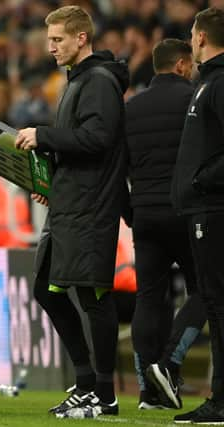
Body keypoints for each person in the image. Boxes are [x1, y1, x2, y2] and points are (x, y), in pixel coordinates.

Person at [14, 5, 129, 419]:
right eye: (49, 40)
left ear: (82, 38)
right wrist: (53, 182)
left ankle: (104, 393)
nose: (51, 48)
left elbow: (98, 138)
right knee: (46, 289)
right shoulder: (79, 81)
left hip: (91, 207)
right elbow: (81, 143)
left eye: (58, 40)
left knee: (93, 295)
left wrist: (43, 135)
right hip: (71, 203)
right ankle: (85, 383)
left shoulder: (98, 81)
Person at [125, 38, 207, 411]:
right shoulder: (196, 100)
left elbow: (117, 171)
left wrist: (132, 214)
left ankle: (147, 391)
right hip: (188, 213)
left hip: (145, 216)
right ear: (181, 65)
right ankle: (170, 364)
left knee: (149, 299)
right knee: (206, 288)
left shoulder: (131, 108)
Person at [168, 8, 224, 424]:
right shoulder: (207, 81)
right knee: (215, 305)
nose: (189, 39)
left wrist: (203, 181)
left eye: (192, 33)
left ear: (202, 37)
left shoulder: (220, 83)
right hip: (202, 207)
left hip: (214, 209)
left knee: (219, 306)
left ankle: (221, 400)